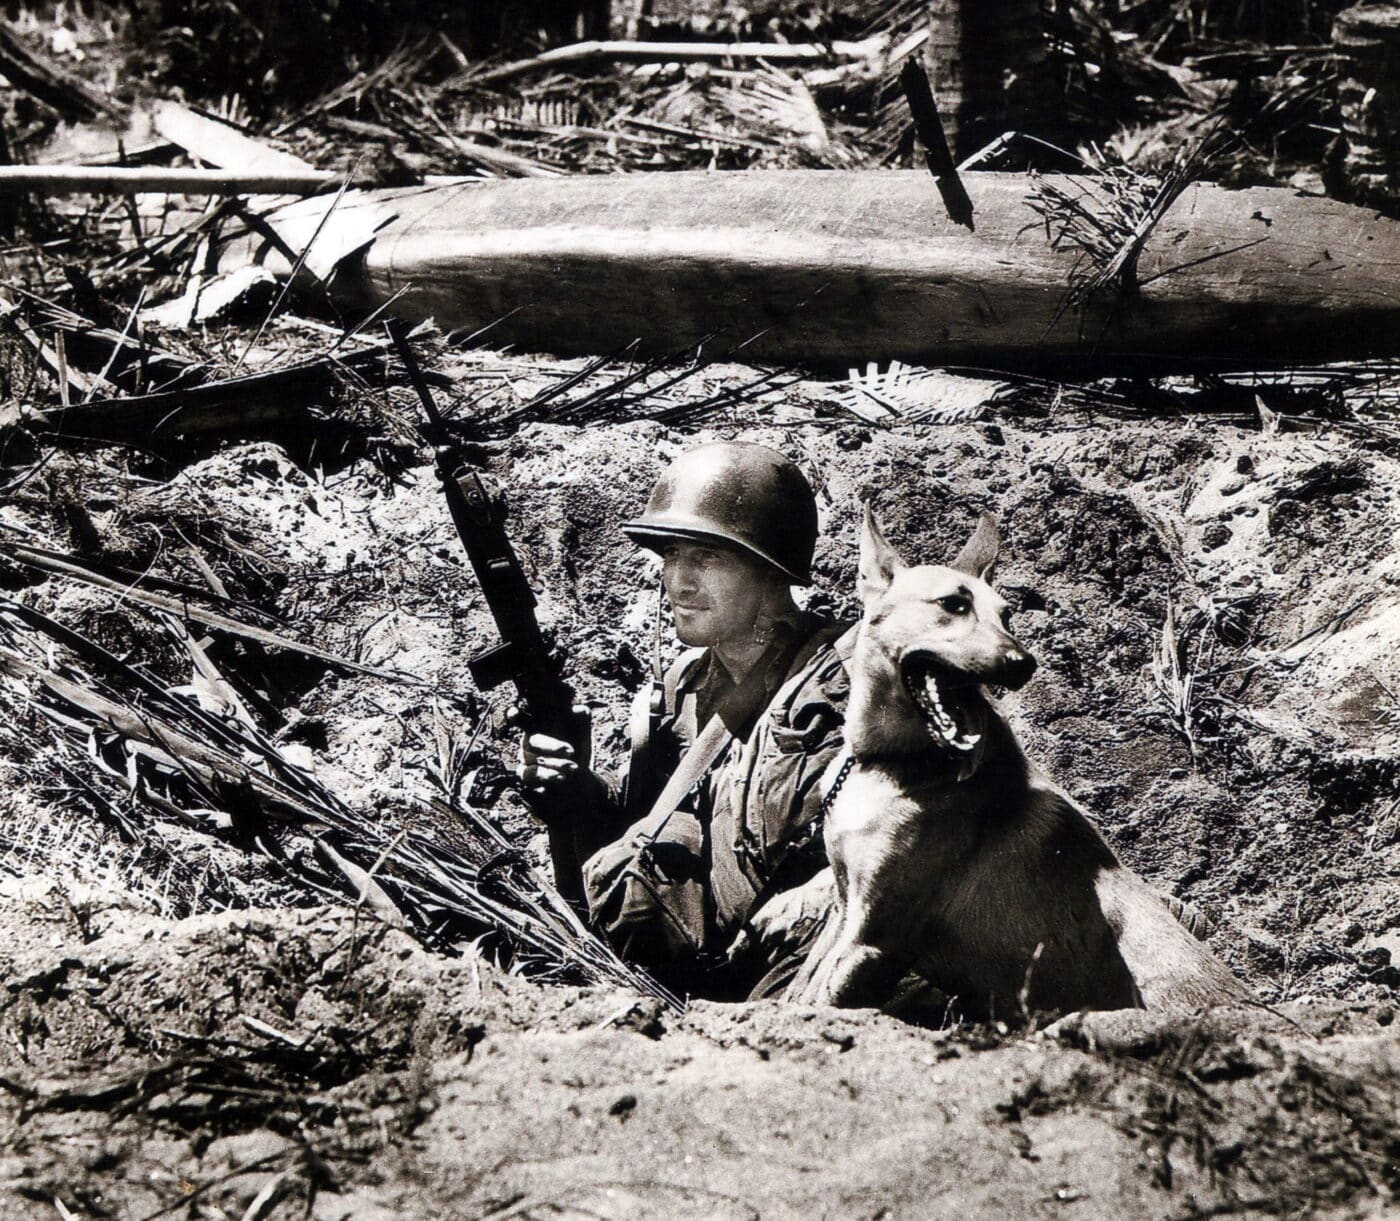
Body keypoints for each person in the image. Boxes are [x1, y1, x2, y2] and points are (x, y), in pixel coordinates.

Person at [517, 441, 851, 998]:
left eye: (707, 558)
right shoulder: (683, 687)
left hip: (813, 975)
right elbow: (652, 834)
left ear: (772, 569)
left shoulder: (843, 682)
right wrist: (577, 793)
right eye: (672, 555)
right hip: (703, 984)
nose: (679, 581)